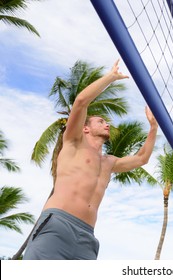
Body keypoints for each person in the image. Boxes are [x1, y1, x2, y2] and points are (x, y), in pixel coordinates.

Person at [23, 60, 158, 260]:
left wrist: (153, 127)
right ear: (85, 128)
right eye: (101, 121)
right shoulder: (73, 142)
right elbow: (80, 102)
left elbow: (142, 158)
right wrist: (111, 76)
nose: (107, 125)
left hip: (86, 236)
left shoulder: (109, 162)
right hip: (58, 225)